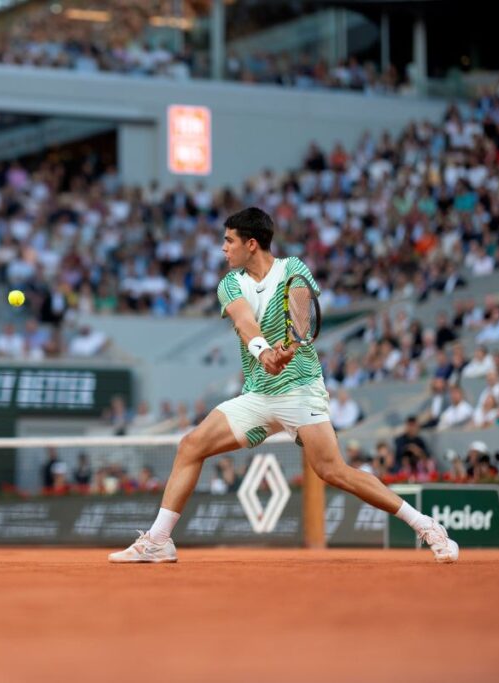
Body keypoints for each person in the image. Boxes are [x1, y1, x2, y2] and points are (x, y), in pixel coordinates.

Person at [109, 208, 458, 563]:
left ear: (252, 243)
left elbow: (300, 326)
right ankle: (158, 541)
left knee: (332, 471)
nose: (223, 248)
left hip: (301, 389)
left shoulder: (294, 270)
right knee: (191, 445)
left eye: (229, 241)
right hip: (258, 394)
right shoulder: (229, 284)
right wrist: (264, 354)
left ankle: (426, 525)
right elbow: (245, 323)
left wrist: (287, 352)